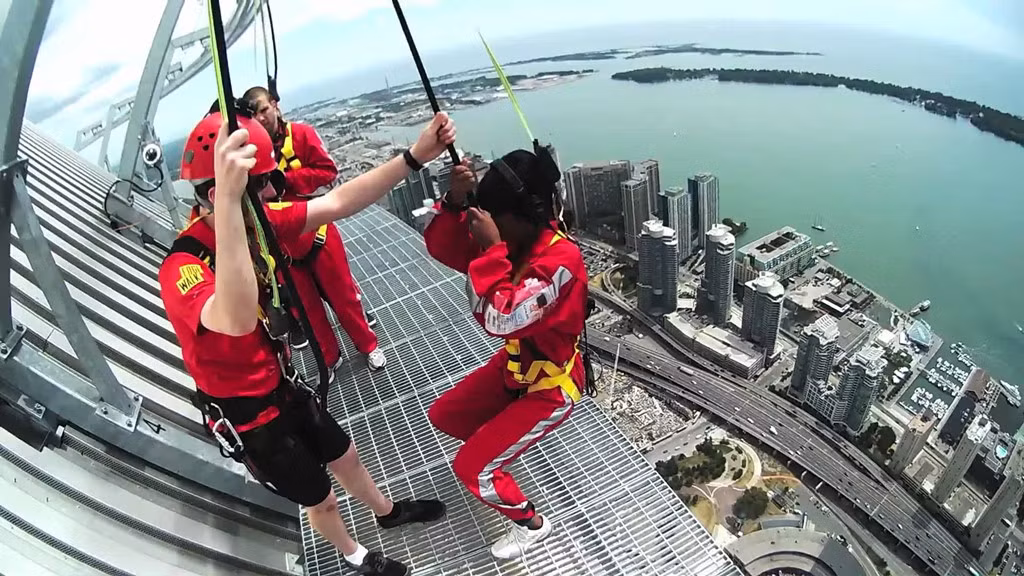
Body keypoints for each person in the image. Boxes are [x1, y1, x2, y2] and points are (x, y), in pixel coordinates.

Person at [159, 107, 456, 576]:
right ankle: (355, 556)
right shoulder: (184, 268)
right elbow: (234, 318)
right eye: (261, 187)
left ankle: (387, 513)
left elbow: (336, 203)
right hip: (249, 415)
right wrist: (237, 209)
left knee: (346, 455)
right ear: (223, 195)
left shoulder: (258, 223)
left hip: (282, 385)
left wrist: (414, 158)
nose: (274, 192)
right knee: (321, 498)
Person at [422, 149, 590, 559]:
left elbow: (500, 317)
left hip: (551, 385)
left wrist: (493, 249)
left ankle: (532, 523)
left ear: (522, 215)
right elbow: (445, 250)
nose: (493, 227)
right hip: (516, 368)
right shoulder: (519, 240)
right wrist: (455, 202)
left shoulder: (560, 260)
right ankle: (499, 452)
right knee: (445, 416)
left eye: (498, 219)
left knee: (470, 468)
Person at [243, 86, 384, 371]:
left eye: (263, 111)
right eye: (253, 115)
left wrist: (287, 180)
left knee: (344, 297)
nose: (260, 119)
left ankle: (368, 345)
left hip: (316, 231)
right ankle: (329, 358)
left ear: (275, 105)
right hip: (282, 245)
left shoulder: (302, 135)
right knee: (307, 310)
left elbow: (327, 171)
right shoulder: (249, 155)